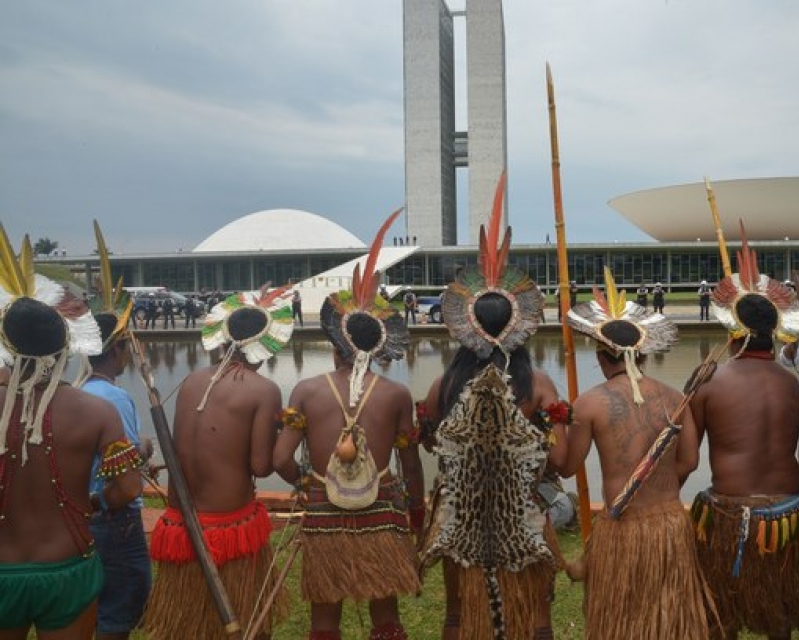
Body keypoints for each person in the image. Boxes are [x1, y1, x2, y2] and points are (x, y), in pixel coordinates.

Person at [418, 180, 567, 640]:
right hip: (521, 508)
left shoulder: (445, 383)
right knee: (535, 612)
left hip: (460, 509)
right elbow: (560, 461)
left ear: (467, 326)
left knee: (457, 614)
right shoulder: (538, 384)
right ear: (519, 325)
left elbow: (426, 437)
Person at [274, 211, 424, 640]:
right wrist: (415, 513)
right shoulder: (395, 394)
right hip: (382, 512)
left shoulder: (305, 390)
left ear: (333, 342)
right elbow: (410, 464)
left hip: (325, 512)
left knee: (325, 620)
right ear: (376, 346)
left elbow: (280, 458)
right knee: (385, 618)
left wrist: (308, 483)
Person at [560, 268, 717, 639]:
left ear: (601, 356)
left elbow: (567, 467)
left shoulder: (590, 403)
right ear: (643, 354)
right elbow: (691, 460)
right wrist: (664, 488)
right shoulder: (676, 398)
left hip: (623, 529)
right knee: (667, 620)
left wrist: (553, 425)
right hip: (669, 525)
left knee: (622, 622)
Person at [0, 234, 144, 638]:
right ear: (68, 344)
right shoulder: (97, 411)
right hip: (70, 566)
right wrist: (95, 502)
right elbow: (129, 488)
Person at [144, 286, 294, 640]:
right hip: (228, 525)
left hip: (182, 520)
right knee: (249, 625)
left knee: (188, 628)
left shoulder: (190, 382)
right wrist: (282, 431)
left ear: (223, 340)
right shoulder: (262, 390)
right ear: (264, 346)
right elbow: (261, 467)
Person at [690, 247, 799, 640]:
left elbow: (687, 458)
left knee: (720, 615)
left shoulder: (710, 381)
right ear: (774, 331)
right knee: (778, 615)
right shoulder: (792, 383)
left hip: (729, 512)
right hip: (787, 512)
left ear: (733, 329)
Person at [80, 227, 154, 640]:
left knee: (94, 607)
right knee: (118, 615)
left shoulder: (75, 393)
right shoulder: (113, 397)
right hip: (114, 518)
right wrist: (141, 454)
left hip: (85, 518)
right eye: (126, 346)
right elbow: (123, 482)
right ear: (116, 350)